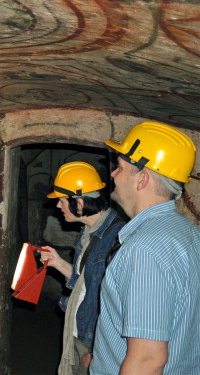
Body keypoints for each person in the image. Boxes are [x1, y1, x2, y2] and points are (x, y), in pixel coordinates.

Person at [90, 121, 200, 374]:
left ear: (142, 179)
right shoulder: (190, 233)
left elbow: (148, 360)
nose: (113, 175)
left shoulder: (145, 250)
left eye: (119, 167)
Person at [39, 162, 125, 375]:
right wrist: (58, 263)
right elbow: (84, 281)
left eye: (61, 200)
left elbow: (118, 304)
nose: (58, 206)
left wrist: (98, 349)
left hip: (92, 339)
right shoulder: (88, 230)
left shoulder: (117, 238)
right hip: (78, 328)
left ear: (78, 203)